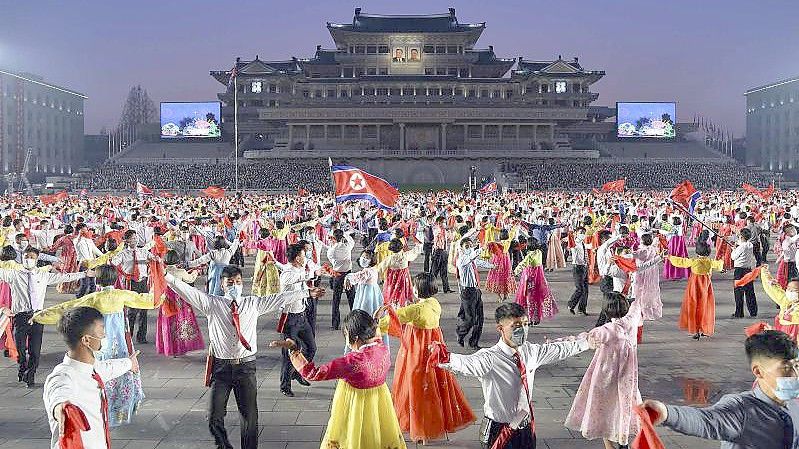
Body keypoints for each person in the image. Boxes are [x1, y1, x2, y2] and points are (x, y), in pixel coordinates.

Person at [164, 263, 324, 449]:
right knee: (214, 416)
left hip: (246, 368)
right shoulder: (211, 304)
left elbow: (280, 297)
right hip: (221, 368)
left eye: (238, 282)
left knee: (249, 418)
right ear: (222, 285)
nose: (234, 286)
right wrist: (166, 274)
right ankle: (224, 445)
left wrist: (306, 293)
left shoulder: (252, 304)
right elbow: (184, 290)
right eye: (230, 282)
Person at [439, 302, 595, 449]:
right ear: (500, 328)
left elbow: (559, 350)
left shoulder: (530, 351)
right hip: (499, 430)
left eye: (526, 324)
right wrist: (445, 358)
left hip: (526, 426)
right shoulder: (490, 358)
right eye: (516, 326)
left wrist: (587, 343)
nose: (523, 330)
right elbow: (465, 363)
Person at [34, 265, 155, 426]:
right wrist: (159, 287)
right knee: (122, 371)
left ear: (97, 280)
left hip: (99, 341)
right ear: (115, 279)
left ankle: (100, 410)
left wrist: (39, 316)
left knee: (98, 373)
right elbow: (148, 300)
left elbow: (66, 309)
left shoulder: (93, 298)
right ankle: (120, 411)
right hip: (119, 343)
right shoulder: (121, 295)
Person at [270, 310, 406, 449]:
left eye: (346, 335)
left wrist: (294, 349)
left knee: (353, 432)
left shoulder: (351, 362)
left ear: (356, 337)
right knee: (376, 430)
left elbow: (313, 373)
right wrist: (375, 321)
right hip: (379, 401)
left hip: (355, 403)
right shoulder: (382, 349)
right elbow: (376, 337)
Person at [642, 330, 799, 449]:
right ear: (758, 371)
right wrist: (667, 413)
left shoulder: (793, 405)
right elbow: (706, 420)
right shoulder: (742, 410)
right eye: (786, 367)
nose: (795, 374)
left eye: (797, 365)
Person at [376, 272, 476, 444]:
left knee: (413, 384)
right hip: (434, 347)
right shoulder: (434, 303)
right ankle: (432, 425)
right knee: (433, 384)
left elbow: (392, 320)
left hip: (417, 350)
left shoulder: (415, 309)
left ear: (417, 289)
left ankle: (420, 429)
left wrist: (378, 318)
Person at [43, 307, 141, 449]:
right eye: (101, 330)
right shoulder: (63, 376)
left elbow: (109, 368)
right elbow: (58, 396)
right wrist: (64, 410)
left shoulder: (92, 368)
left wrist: (129, 363)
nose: (105, 335)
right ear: (87, 340)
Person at [1, 246, 90, 387]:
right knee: (20, 348)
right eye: (26, 257)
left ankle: (31, 375)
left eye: (31, 257)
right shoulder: (13, 274)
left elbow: (65, 277)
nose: (28, 259)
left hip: (38, 316)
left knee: (35, 350)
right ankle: (22, 366)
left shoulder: (43, 276)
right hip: (20, 317)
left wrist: (84, 274)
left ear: (37, 259)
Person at [565, 297, 643, 449]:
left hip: (606, 376)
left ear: (606, 310)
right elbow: (637, 305)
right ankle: (623, 441)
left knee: (604, 409)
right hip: (628, 376)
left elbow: (583, 339)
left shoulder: (606, 330)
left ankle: (609, 445)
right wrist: (632, 298)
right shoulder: (632, 321)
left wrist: (557, 343)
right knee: (623, 407)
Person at [278, 243, 319, 397]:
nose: (305, 257)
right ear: (296, 259)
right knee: (288, 355)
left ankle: (297, 372)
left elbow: (305, 275)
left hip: (302, 316)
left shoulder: (300, 268)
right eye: (303, 255)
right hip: (290, 319)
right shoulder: (288, 273)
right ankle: (285, 385)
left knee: (311, 348)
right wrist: (312, 273)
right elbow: (299, 277)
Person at [668, 238, 724, 340]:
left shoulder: (694, 261)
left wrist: (669, 257)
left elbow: (681, 262)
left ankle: (696, 330)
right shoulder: (709, 261)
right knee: (705, 306)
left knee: (694, 306)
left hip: (694, 287)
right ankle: (704, 328)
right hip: (706, 287)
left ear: (697, 251)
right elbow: (720, 264)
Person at [155, 250, 205, 357]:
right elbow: (190, 279)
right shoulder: (180, 271)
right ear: (177, 260)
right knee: (182, 321)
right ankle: (181, 347)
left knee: (168, 322)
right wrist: (195, 272)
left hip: (166, 300)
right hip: (180, 299)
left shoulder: (162, 271)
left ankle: (169, 347)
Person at [110, 230, 156, 344]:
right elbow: (112, 263)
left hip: (143, 283)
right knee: (132, 311)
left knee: (144, 310)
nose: (135, 240)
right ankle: (128, 337)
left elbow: (154, 259)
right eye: (132, 238)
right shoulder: (123, 254)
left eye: (136, 237)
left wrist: (158, 260)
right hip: (131, 283)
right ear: (126, 240)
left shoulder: (143, 251)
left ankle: (142, 336)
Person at [344, 249, 389, 349]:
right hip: (372, 294)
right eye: (363, 257)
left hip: (366, 297)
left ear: (372, 260)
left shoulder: (368, 271)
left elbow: (357, 277)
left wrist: (347, 276)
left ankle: (363, 342)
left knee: (363, 318)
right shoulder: (372, 269)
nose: (364, 259)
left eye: (367, 258)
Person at [456, 237, 494, 349]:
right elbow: (472, 257)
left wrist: (493, 266)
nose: (469, 248)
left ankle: (474, 342)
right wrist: (480, 249)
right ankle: (460, 333)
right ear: (462, 249)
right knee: (471, 319)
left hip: (476, 291)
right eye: (467, 246)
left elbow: (480, 262)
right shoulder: (462, 260)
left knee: (480, 319)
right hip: (467, 292)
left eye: (470, 246)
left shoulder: (472, 260)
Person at [514, 237, 558, 325]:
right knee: (538, 298)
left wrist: (515, 272)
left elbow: (522, 264)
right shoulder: (539, 252)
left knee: (529, 299)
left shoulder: (529, 256)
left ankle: (530, 319)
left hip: (530, 278)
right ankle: (536, 318)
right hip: (539, 278)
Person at [326, 228, 356, 330]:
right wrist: (345, 234)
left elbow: (331, 260)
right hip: (348, 274)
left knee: (336, 299)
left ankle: (335, 323)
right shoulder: (347, 247)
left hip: (337, 275)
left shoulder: (331, 250)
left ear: (334, 238)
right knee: (352, 298)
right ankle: (355, 320)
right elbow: (352, 241)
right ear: (342, 237)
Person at [761, 265, 799, 340]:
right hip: (785, 344)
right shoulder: (786, 302)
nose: (790, 292)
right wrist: (764, 271)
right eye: (788, 289)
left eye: (794, 290)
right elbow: (774, 290)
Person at [485, 227, 519, 302]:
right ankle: (506, 294)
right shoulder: (509, 241)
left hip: (498, 260)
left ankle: (499, 297)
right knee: (506, 276)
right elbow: (512, 232)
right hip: (506, 259)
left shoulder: (497, 244)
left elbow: (490, 246)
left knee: (496, 276)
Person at [732, 227, 758, 318]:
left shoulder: (741, 247)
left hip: (739, 271)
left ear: (742, 237)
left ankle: (739, 313)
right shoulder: (750, 245)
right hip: (748, 270)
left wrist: (734, 249)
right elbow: (743, 244)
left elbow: (733, 257)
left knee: (738, 292)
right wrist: (737, 245)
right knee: (750, 291)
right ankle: (753, 311)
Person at [567, 226, 590, 315]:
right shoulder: (575, 243)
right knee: (579, 289)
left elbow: (590, 246)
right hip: (578, 268)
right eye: (581, 232)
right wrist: (570, 234)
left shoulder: (582, 243)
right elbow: (571, 246)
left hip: (584, 267)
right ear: (576, 233)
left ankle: (582, 309)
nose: (583, 234)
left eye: (584, 233)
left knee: (585, 290)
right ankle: (571, 305)